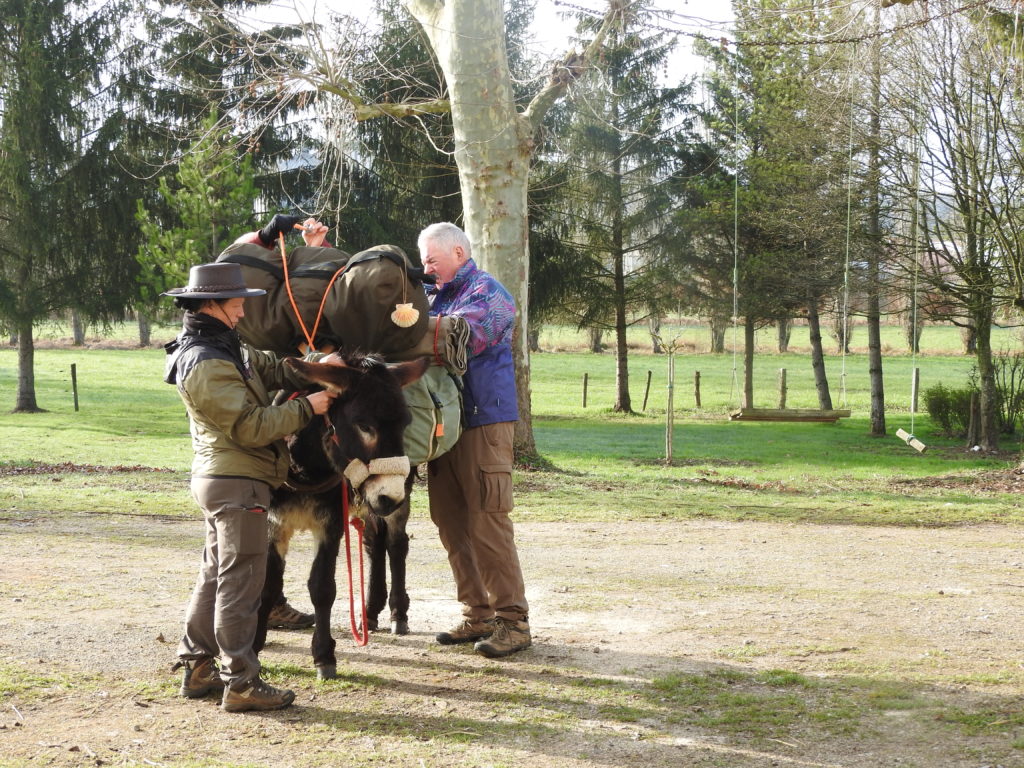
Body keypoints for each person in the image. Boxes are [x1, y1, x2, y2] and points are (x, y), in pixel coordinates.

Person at [163, 262, 338, 712]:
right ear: (212, 305)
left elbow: (272, 368)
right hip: (236, 483)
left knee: (215, 576)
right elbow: (249, 425)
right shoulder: (205, 362)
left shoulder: (225, 349)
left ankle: (199, 666)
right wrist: (309, 407)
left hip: (228, 480)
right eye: (237, 304)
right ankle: (240, 681)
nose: (243, 313)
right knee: (241, 584)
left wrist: (319, 367)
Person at [418, 222, 530, 658]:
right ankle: (477, 614)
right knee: (450, 520)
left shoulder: (490, 293)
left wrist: (403, 326)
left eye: (432, 260)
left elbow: (458, 339)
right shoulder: (434, 296)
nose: (426, 269)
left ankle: (513, 622)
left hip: (485, 421)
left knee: (488, 522)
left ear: (459, 253)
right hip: (444, 425)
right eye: (423, 262)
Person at [232, 212, 330, 630]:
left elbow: (313, 299)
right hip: (273, 380)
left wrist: (317, 248)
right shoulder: (232, 336)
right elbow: (235, 257)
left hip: (300, 364)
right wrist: (266, 234)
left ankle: (267, 606)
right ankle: (263, 607)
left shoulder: (296, 277)